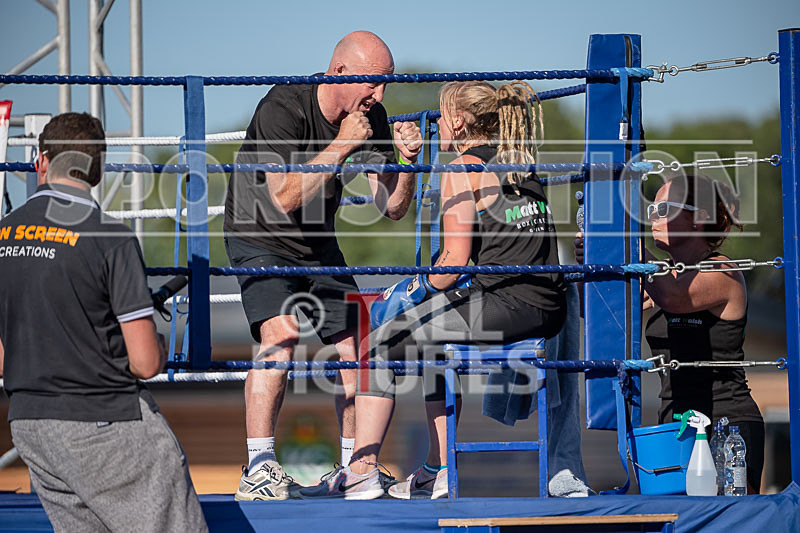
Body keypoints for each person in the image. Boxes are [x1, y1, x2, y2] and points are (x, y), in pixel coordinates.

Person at [297, 80, 567, 500]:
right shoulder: (520, 162)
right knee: (428, 341)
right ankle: (438, 467)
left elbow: (454, 263)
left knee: (382, 340)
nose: (438, 121)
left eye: (442, 114)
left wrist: (410, 288)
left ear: (458, 121)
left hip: (508, 301)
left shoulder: (460, 169)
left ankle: (363, 469)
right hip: (548, 304)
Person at [222, 31, 422, 500]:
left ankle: (356, 466)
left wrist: (409, 163)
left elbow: (390, 208)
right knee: (282, 332)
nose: (380, 95)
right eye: (374, 83)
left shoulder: (371, 114)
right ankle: (260, 467)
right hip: (260, 231)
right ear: (339, 74)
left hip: (317, 242)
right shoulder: (284, 105)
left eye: (387, 84)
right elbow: (285, 197)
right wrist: (343, 145)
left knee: (359, 343)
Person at [0, 113, 207, 531]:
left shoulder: (3, 233)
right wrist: (159, 341)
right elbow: (146, 363)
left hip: (29, 424)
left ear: (41, 162)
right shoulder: (109, 237)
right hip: (108, 421)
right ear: (97, 170)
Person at [574, 173, 765, 493]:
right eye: (651, 211)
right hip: (674, 430)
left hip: (726, 427)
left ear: (699, 217)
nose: (653, 218)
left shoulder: (722, 272)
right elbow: (595, 310)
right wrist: (591, 263)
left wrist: (626, 243)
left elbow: (675, 297)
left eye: (665, 209)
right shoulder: (662, 274)